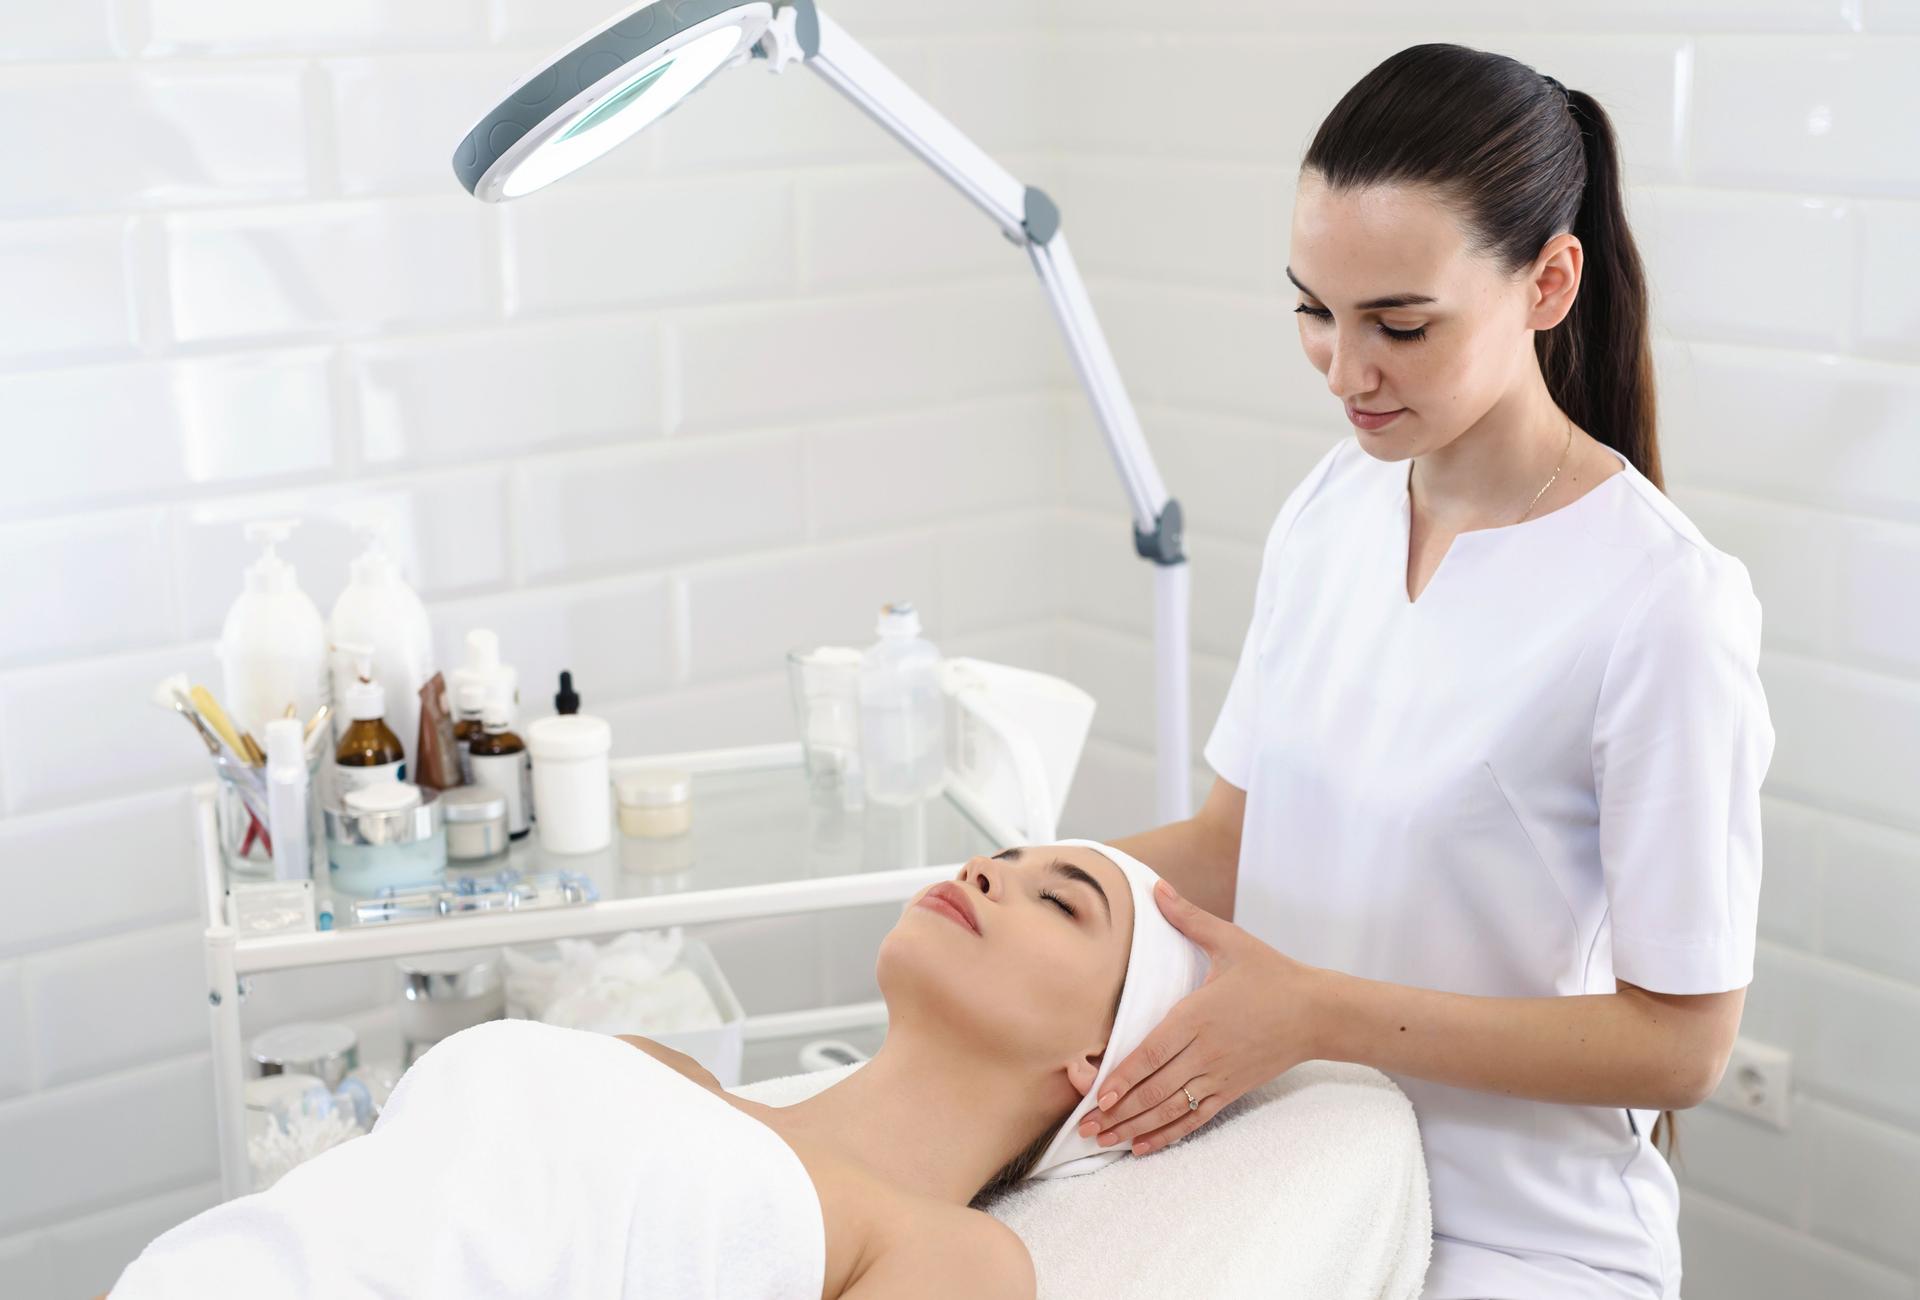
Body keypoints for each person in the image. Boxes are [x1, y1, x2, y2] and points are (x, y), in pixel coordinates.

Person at [1076, 43, 1776, 1300]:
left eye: (1399, 324)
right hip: (1296, 1184)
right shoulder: (1332, 509)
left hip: (1513, 1241)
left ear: (1549, 283)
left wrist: (1316, 1013)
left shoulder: (1660, 603)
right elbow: (1234, 844)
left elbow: (1682, 1044)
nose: (1347, 371)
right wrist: (1024, 892)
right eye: (1313, 310)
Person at [107, 841, 1208, 1300]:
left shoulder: (957, 1252)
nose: (987, 870)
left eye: (1064, 900)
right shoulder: (662, 1069)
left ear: (1096, 1061)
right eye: (1000, 855)